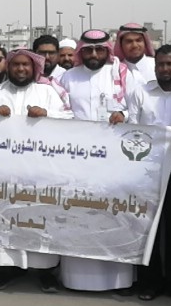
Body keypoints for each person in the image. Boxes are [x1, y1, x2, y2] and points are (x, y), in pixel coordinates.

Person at [0, 49, 73, 291]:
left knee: (41, 218)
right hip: (5, 175)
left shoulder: (47, 92)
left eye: (25, 65)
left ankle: (45, 272)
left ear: (34, 68)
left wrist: (47, 115)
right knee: (5, 219)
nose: (20, 69)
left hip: (40, 174)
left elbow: (71, 121)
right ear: (8, 68)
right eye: (16, 65)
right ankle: (6, 270)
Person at [56, 29, 136, 291]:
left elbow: (138, 108)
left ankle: (119, 280)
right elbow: (58, 115)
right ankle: (76, 280)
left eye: (99, 49)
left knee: (113, 218)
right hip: (77, 162)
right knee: (79, 217)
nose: (93, 55)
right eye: (88, 50)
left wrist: (124, 116)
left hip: (114, 162)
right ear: (81, 51)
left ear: (107, 50)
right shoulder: (68, 77)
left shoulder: (121, 74)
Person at [126, 45, 171, 301]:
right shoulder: (140, 93)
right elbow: (131, 129)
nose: (165, 69)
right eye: (161, 65)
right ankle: (150, 281)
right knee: (148, 228)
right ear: (155, 66)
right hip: (146, 170)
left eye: (170, 64)